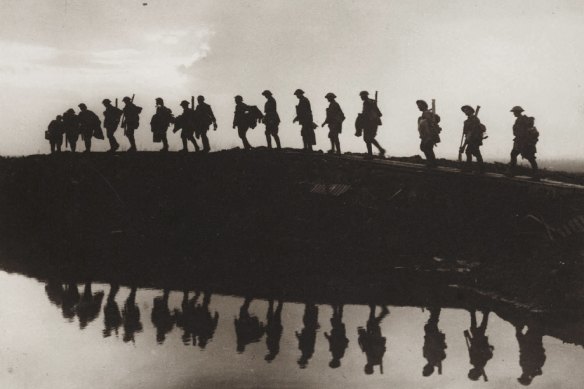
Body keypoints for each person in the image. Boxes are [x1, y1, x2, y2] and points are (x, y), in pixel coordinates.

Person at [509, 106, 539, 178]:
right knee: (514, 154)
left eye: (514, 112)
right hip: (522, 142)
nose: (513, 113)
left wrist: (522, 139)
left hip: (523, 142)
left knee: (530, 157)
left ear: (517, 112)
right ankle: (512, 172)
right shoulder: (521, 120)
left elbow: (521, 132)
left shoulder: (521, 120)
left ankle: (536, 175)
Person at [358, 305, 389, 375]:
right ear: (368, 368)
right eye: (366, 368)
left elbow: (382, 351)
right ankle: (376, 308)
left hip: (377, 339)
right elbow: (368, 348)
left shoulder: (376, 362)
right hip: (374, 338)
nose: (365, 367)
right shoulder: (371, 361)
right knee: (371, 323)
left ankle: (378, 310)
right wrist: (365, 336)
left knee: (372, 323)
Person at [464, 310, 494, 382]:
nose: (470, 371)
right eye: (471, 373)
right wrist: (484, 376)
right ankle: (480, 312)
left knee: (478, 328)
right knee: (480, 328)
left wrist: (468, 337)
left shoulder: (474, 363)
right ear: (475, 373)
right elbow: (481, 368)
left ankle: (480, 313)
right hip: (480, 342)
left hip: (477, 341)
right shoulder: (478, 364)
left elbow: (471, 349)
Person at [356, 91, 385, 159]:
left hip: (370, 122)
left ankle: (371, 154)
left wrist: (361, 117)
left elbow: (366, 113)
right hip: (373, 122)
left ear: (364, 96)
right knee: (369, 138)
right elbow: (379, 113)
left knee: (367, 138)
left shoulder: (367, 102)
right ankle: (380, 150)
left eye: (361, 96)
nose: (361, 97)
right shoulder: (371, 102)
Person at [422, 307, 447, 377]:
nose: (424, 367)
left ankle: (434, 311)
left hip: (430, 338)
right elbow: (437, 350)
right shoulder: (434, 360)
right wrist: (439, 369)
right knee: (431, 325)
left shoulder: (429, 359)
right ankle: (436, 309)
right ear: (429, 369)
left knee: (430, 325)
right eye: (425, 369)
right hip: (434, 338)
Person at [460, 105, 485, 173]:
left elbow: (471, 132)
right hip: (471, 139)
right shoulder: (468, 120)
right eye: (464, 110)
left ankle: (472, 168)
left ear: (471, 111)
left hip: (475, 139)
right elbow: (467, 132)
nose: (465, 112)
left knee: (470, 152)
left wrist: (464, 145)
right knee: (474, 152)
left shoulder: (474, 120)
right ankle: (480, 168)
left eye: (466, 110)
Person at [416, 100, 440, 167]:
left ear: (424, 105)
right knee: (425, 147)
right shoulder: (425, 113)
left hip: (429, 135)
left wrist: (430, 136)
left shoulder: (427, 113)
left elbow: (431, 124)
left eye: (419, 105)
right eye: (418, 106)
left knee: (426, 147)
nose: (418, 107)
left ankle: (432, 163)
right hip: (425, 135)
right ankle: (431, 162)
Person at [324, 303, 349, 369]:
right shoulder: (335, 354)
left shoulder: (340, 355)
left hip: (340, 334)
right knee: (336, 321)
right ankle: (336, 308)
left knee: (338, 320)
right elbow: (332, 343)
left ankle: (339, 307)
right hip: (337, 334)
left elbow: (344, 344)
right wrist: (327, 336)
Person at [296, 302, 320, 368]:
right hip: (309, 331)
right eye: (301, 359)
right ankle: (310, 304)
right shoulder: (306, 351)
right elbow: (303, 341)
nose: (300, 358)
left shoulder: (306, 351)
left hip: (309, 331)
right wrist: (298, 335)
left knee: (308, 318)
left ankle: (310, 305)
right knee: (308, 318)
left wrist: (298, 336)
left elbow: (302, 341)